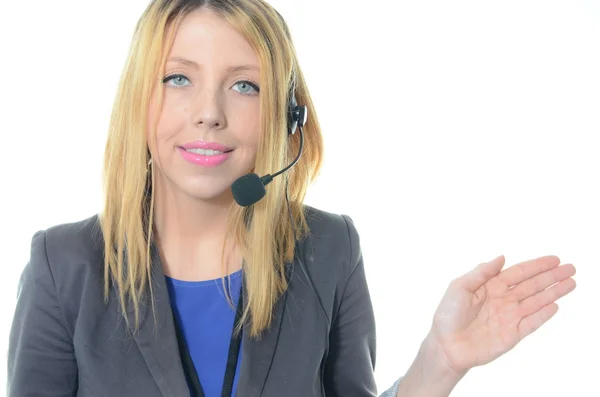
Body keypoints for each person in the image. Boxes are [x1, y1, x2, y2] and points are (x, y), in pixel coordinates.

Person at [7, 1, 577, 396]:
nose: (209, 112)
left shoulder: (328, 250)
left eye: (244, 84)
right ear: (139, 98)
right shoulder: (66, 266)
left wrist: (440, 363)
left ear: (286, 116)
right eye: (178, 78)